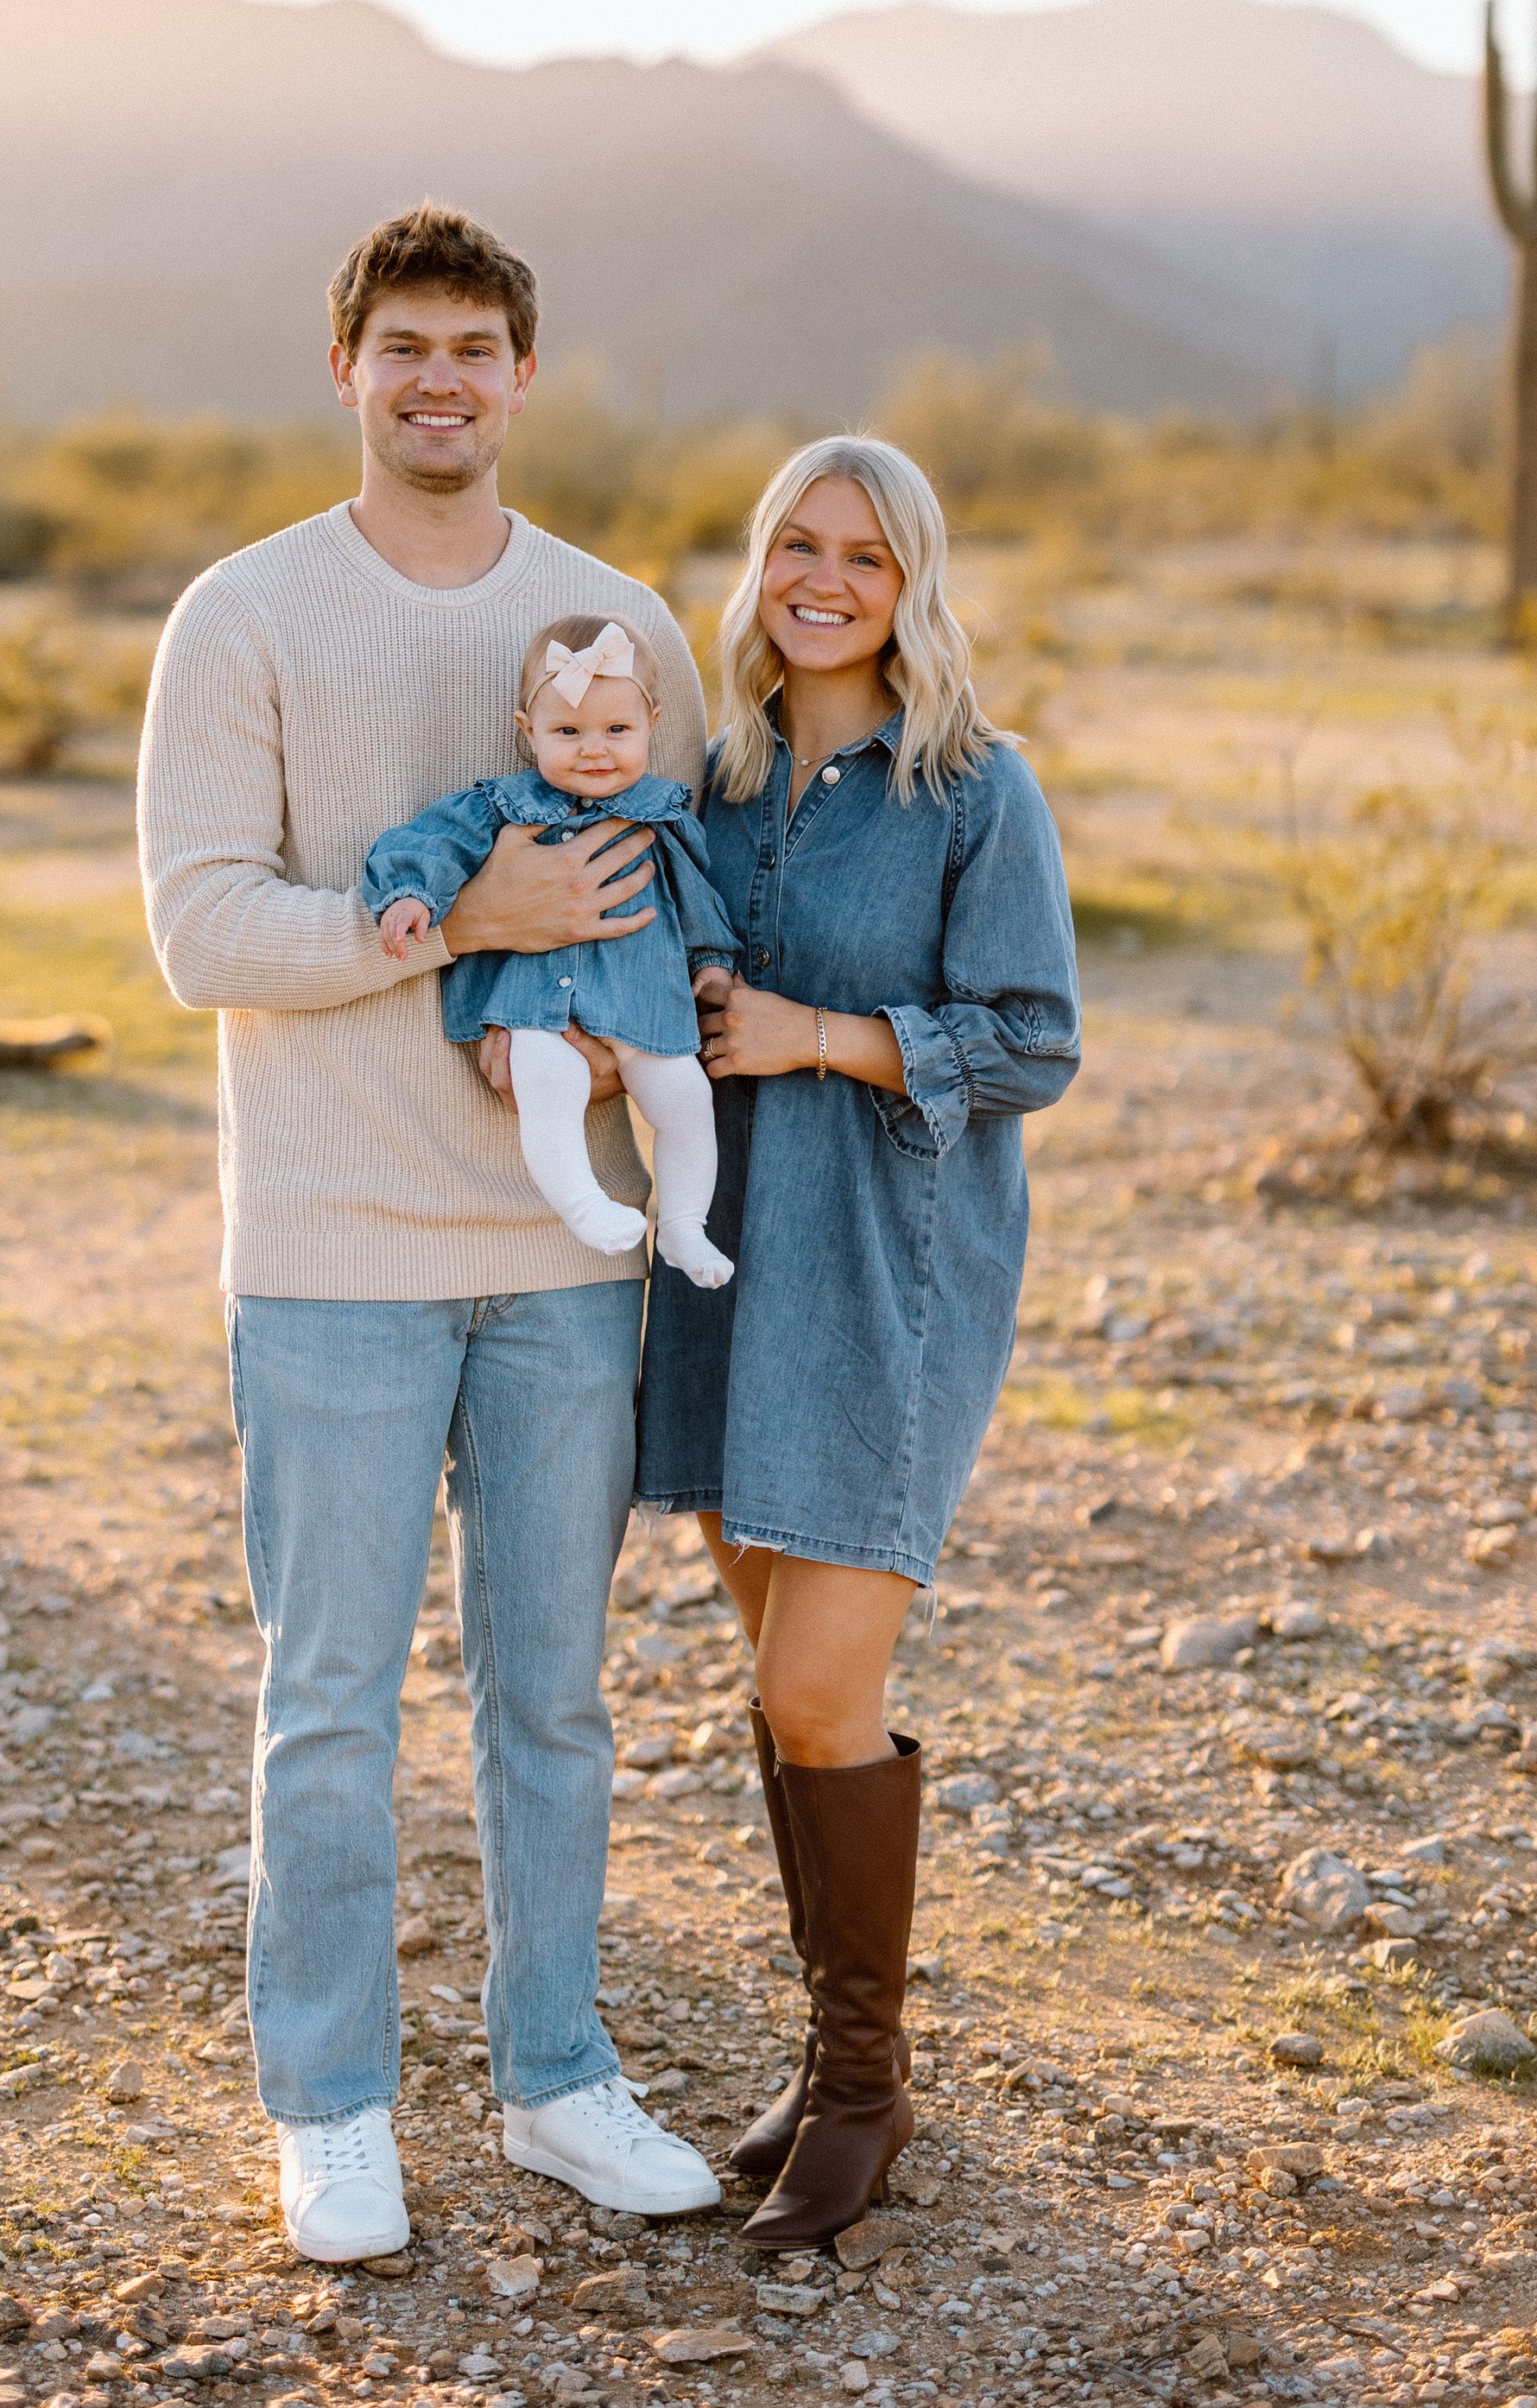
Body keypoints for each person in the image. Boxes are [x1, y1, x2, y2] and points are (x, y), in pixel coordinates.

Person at [139, 202, 723, 2262]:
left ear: (524, 374)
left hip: (570, 1258)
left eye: (476, 342)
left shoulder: (614, 617)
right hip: (327, 1254)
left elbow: (693, 876)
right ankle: (329, 2104)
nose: (441, 375)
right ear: (348, 371)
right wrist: (452, 927)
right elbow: (201, 924)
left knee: (552, 1695)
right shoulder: (246, 613)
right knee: (329, 1698)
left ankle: (557, 2073)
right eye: (404, 344)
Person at [636, 434, 1082, 2246]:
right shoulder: (711, 777)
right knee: (784, 1687)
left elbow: (1033, 1042)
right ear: (759, 565)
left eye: (865, 556)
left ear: (912, 584)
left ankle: (870, 2088)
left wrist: (815, 1034)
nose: (824, 578)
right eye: (796, 546)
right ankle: (832, 2065)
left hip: (888, 1278)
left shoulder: (975, 790)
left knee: (819, 1687)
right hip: (724, 1268)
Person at [361, 611, 741, 1285]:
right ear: (526, 730)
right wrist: (411, 893)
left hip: (644, 999)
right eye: (568, 732)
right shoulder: (503, 806)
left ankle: (684, 1227)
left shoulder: (663, 814)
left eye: (617, 730)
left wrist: (711, 964)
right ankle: (580, 1201)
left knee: (685, 1097)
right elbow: (430, 843)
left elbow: (697, 898)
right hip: (535, 1001)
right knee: (547, 1079)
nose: (594, 749)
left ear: (652, 721)